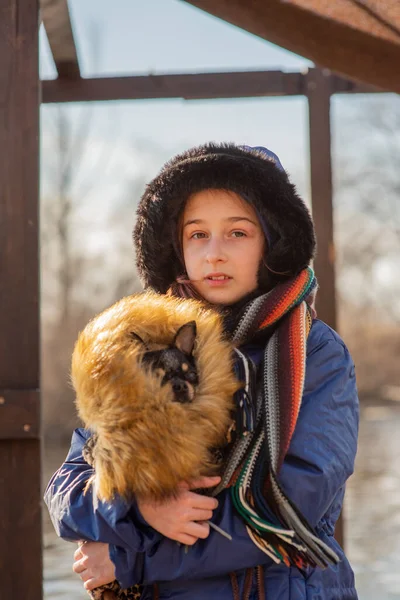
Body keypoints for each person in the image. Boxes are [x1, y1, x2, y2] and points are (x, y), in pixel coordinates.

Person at [44, 143, 359, 600]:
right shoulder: (144, 348)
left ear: (272, 241)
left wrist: (132, 557)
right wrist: (141, 508)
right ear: (177, 245)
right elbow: (68, 485)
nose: (214, 254)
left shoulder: (317, 354)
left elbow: (295, 506)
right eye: (197, 234)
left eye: (237, 233)